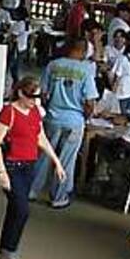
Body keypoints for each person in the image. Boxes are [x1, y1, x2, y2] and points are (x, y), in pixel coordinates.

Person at [0, 77, 65, 259]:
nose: (35, 101)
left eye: (38, 97)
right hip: (12, 167)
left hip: (29, 166)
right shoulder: (8, 112)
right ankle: (8, 256)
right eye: (32, 97)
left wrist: (56, 161)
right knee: (22, 209)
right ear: (21, 93)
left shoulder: (35, 112)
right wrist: (2, 172)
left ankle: (5, 253)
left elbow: (41, 137)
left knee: (16, 210)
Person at [31, 38, 98, 211]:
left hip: (53, 118)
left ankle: (32, 191)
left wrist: (50, 108)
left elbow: (43, 94)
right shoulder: (86, 70)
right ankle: (58, 198)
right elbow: (90, 102)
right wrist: (85, 115)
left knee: (44, 155)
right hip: (74, 121)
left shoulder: (53, 66)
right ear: (83, 52)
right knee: (66, 160)